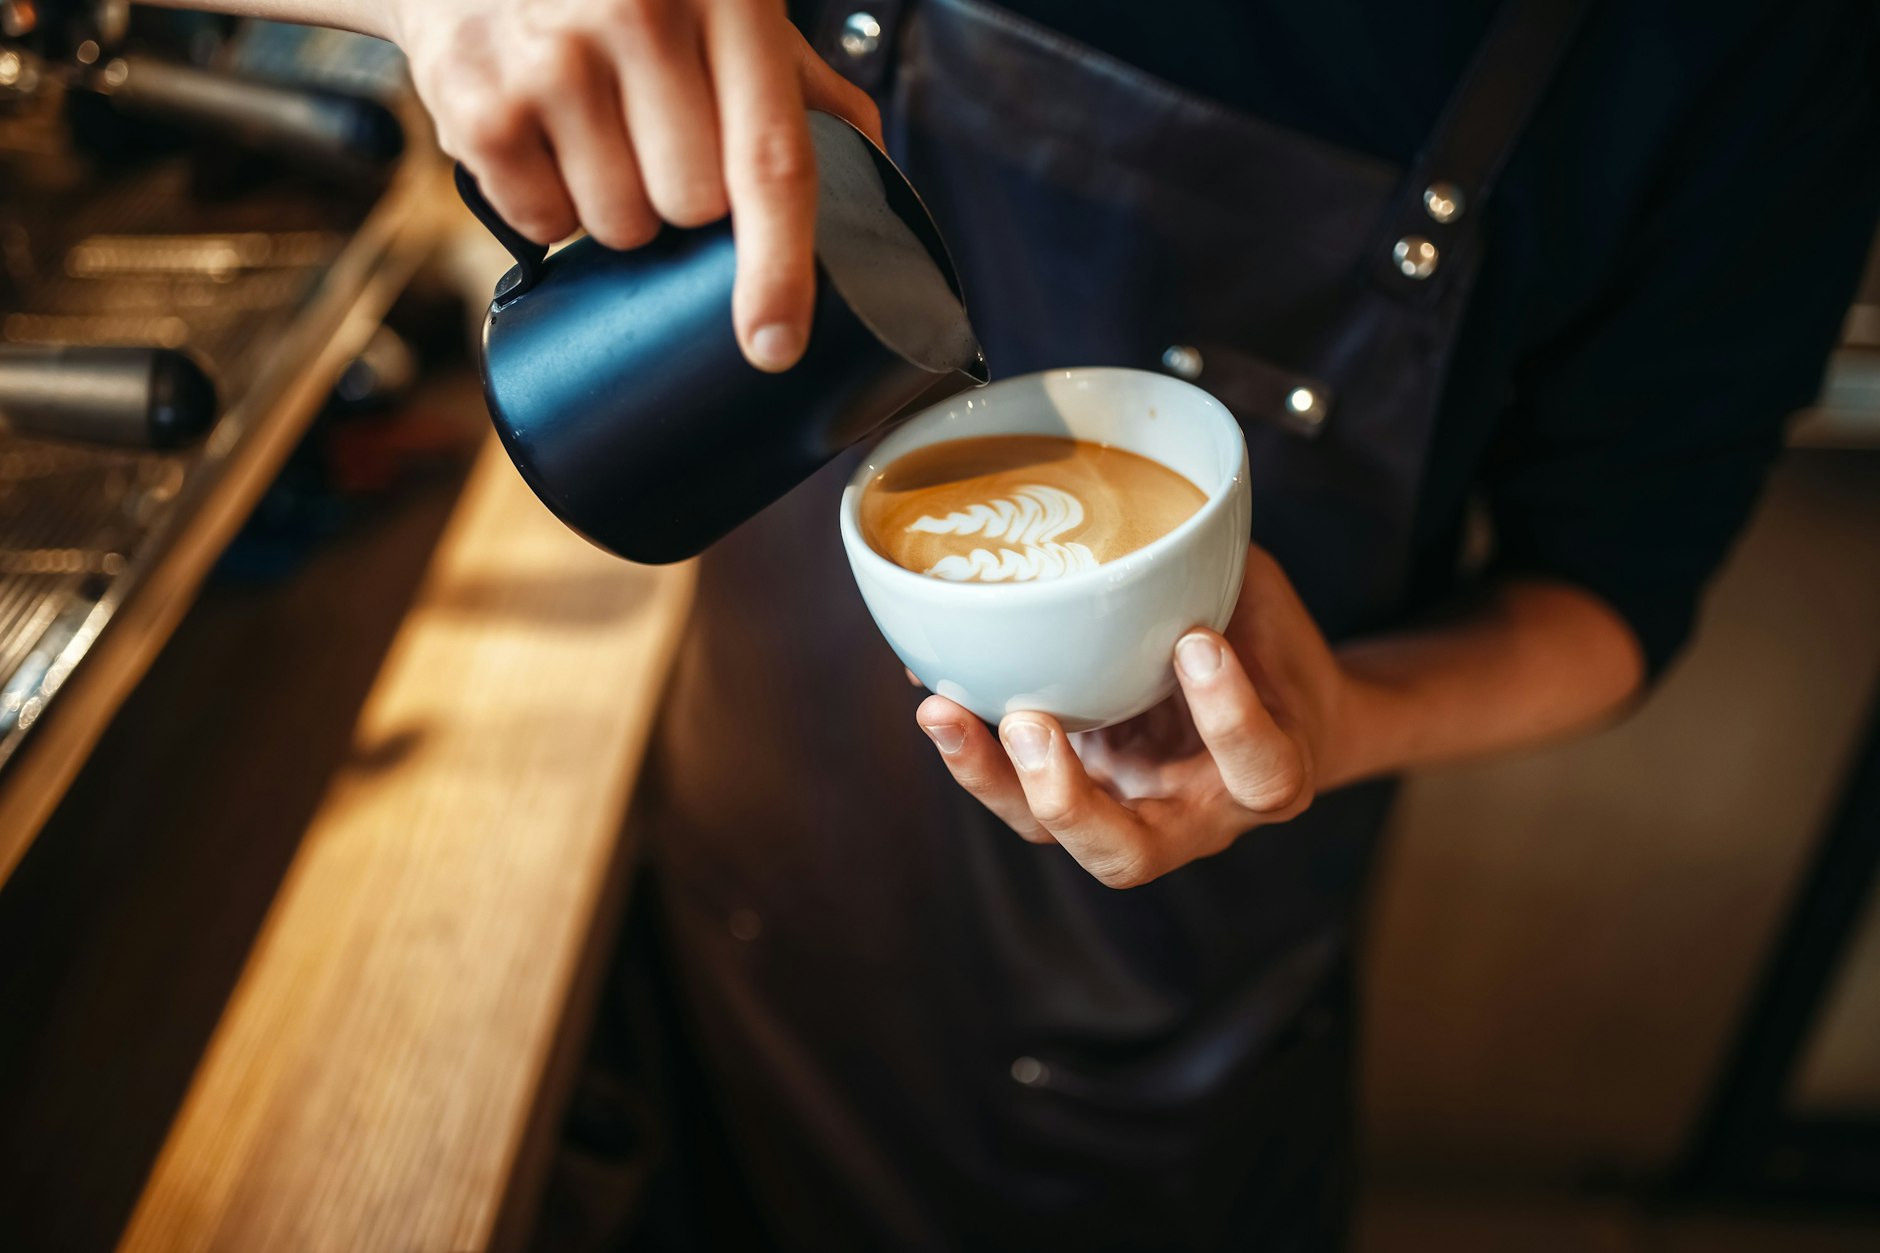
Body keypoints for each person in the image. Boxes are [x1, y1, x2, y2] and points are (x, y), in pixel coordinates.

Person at [160, 0, 1880, 1247]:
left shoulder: (1749, 50)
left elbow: (1613, 595)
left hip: (1141, 1015)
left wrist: (1346, 719)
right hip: (738, 839)